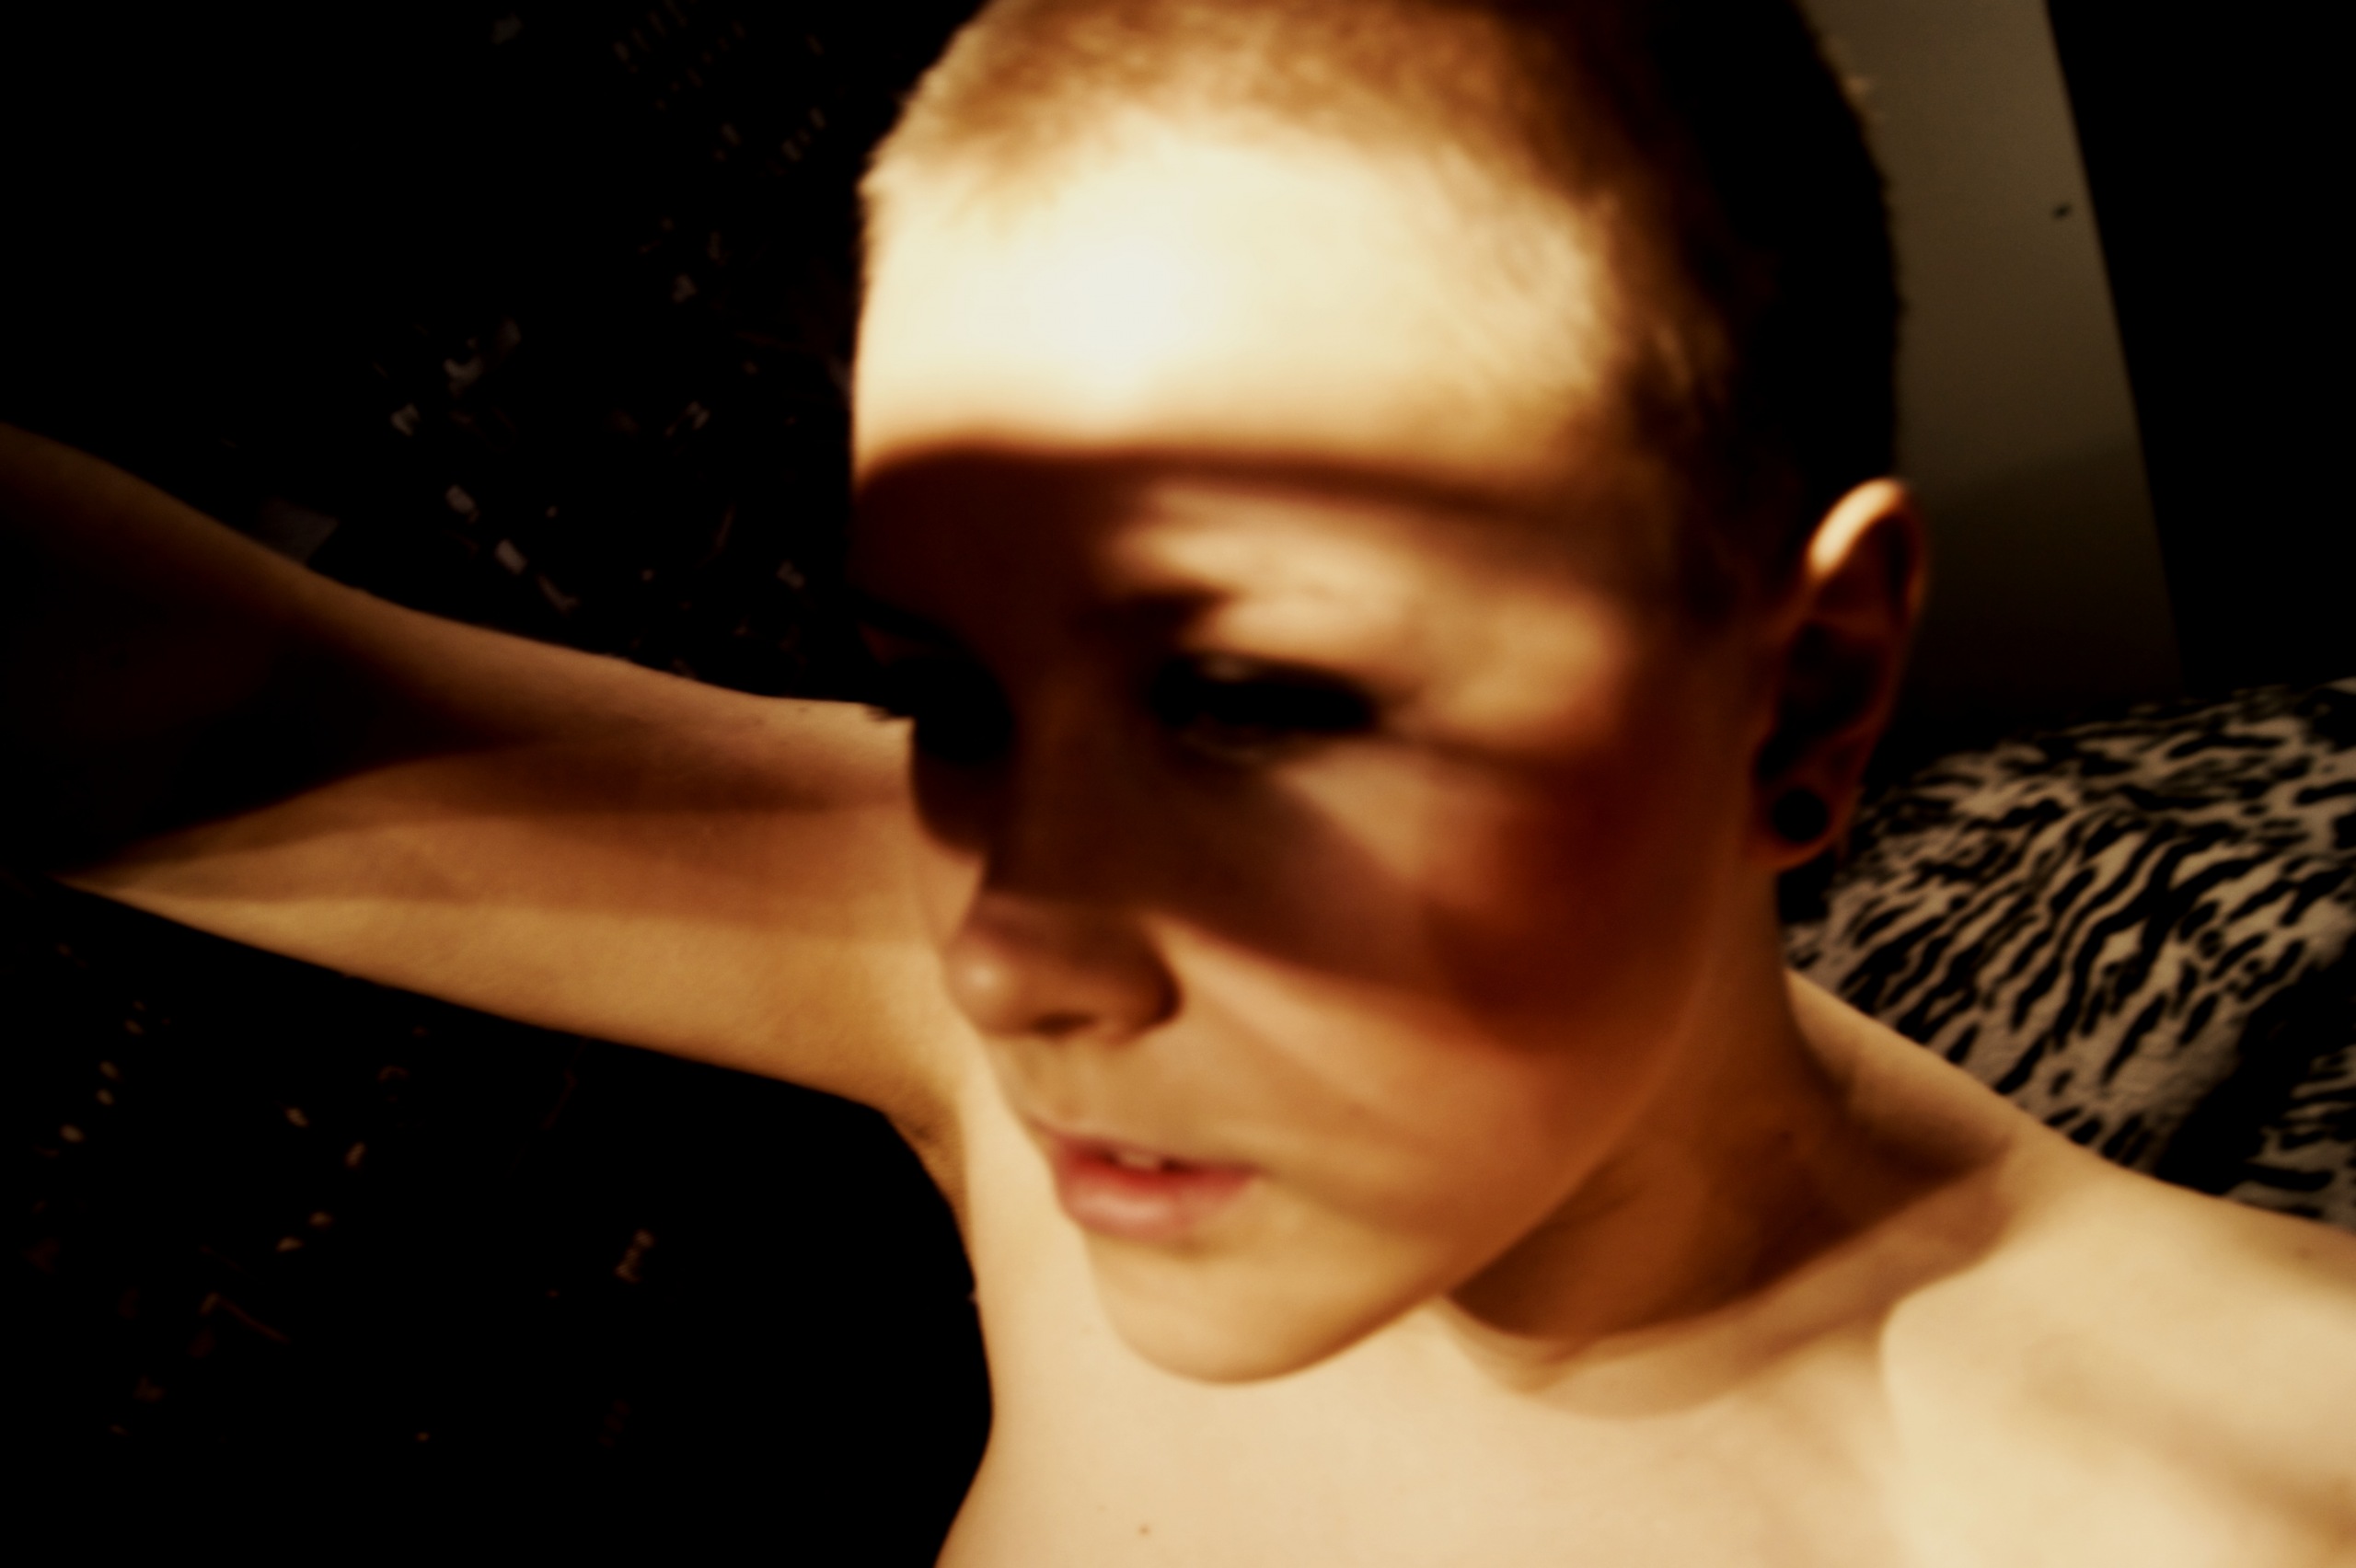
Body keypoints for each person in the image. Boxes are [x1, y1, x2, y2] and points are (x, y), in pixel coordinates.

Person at [5, 0, 2352, 1560]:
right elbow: (209, 730)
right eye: (954, 699)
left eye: (1243, 706)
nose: (1004, 959)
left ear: (1803, 697)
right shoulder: (1008, 999)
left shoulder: (2226, 1490)